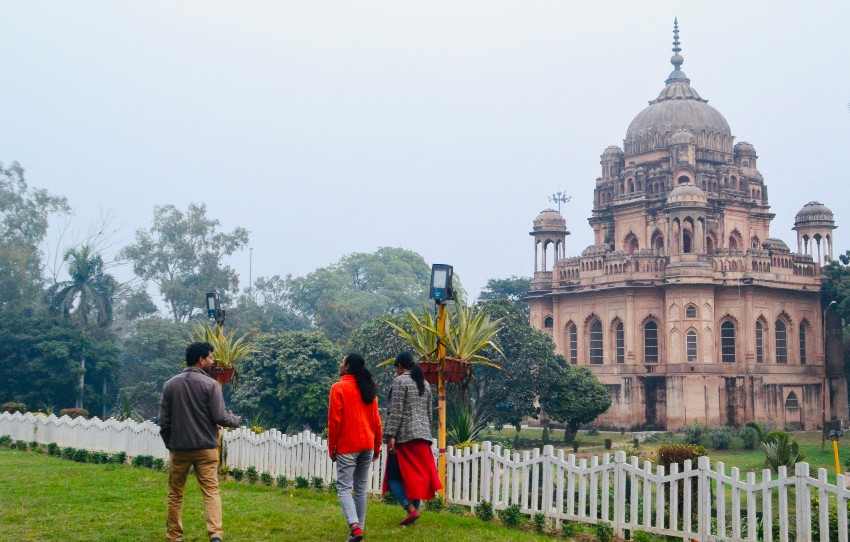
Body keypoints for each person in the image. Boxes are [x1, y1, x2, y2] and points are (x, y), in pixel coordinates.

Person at [158, 342, 242, 542]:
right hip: (206, 448)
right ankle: (215, 535)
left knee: (175, 493)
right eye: (211, 358)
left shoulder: (170, 384)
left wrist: (170, 443)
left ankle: (174, 536)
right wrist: (236, 420)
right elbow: (219, 417)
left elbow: (164, 420)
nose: (213, 361)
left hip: (179, 449)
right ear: (201, 359)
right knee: (211, 492)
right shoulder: (210, 385)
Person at [327, 353, 383, 542]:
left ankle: (354, 527)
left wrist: (331, 447)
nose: (340, 364)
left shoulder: (338, 388)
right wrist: (376, 447)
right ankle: (359, 530)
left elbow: (335, 422)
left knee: (343, 488)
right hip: (367, 444)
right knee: (360, 488)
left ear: (348, 367)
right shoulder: (368, 390)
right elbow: (377, 423)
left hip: (348, 445)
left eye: (342, 362)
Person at [382, 351, 442, 526]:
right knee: (415, 479)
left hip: (405, 438)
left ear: (400, 366)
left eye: (396, 368)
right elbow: (428, 413)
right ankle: (413, 516)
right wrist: (427, 434)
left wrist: (391, 436)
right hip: (423, 437)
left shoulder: (400, 381)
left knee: (392, 477)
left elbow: (396, 412)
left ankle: (410, 509)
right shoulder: (425, 384)